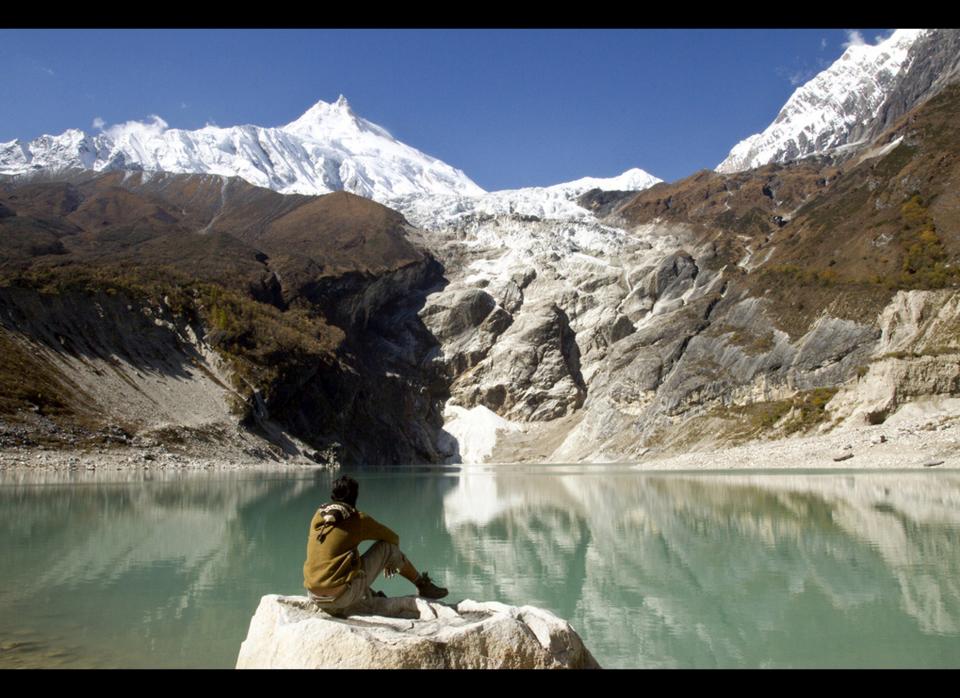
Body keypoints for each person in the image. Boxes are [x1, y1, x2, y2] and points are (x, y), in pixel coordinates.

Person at [303, 475, 448, 615]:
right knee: (388, 549)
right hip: (341, 598)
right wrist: (388, 563)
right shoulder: (357, 519)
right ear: (355, 496)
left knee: (346, 560)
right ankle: (422, 585)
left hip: (313, 596)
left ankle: (369, 594)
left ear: (332, 495)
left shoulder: (318, 515)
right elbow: (393, 538)